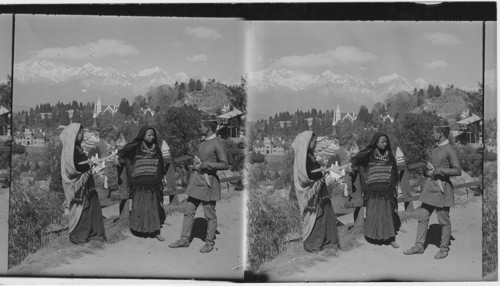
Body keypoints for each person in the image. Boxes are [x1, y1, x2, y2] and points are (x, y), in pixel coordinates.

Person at [169, 120, 229, 253]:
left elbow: (225, 164)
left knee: (210, 215)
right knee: (188, 210)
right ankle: (184, 240)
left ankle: (209, 242)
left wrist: (203, 165)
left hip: (208, 183)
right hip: (197, 182)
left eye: (201, 126)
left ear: (208, 128)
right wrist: (196, 163)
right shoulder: (202, 143)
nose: (198, 128)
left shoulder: (217, 143)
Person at [404, 126, 461, 259]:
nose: (431, 134)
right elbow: (431, 168)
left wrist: (437, 171)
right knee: (423, 217)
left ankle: (444, 249)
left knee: (444, 221)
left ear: (440, 134)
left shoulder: (449, 149)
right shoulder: (435, 148)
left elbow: (458, 170)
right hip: (430, 188)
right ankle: (419, 246)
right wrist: (427, 171)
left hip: (442, 190)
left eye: (433, 132)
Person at [347, 132, 400, 248]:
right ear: (376, 142)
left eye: (386, 142)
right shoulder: (369, 153)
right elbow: (356, 158)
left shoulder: (390, 155)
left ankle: (390, 238)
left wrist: (394, 186)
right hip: (373, 190)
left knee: (387, 214)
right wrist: (351, 164)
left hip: (387, 190)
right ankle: (374, 237)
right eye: (382, 142)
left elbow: (394, 171)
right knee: (374, 213)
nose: (385, 144)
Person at [291, 131, 340, 252]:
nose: (315, 143)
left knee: (324, 214)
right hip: (311, 193)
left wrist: (322, 172)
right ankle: (313, 244)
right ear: (306, 143)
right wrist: (321, 172)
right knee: (315, 217)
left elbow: (315, 171)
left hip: (320, 190)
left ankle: (326, 242)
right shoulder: (303, 158)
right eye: (313, 141)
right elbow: (305, 176)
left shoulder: (310, 156)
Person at [116, 126, 166, 241]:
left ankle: (155, 230)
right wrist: (118, 157)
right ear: (142, 136)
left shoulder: (156, 148)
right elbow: (123, 151)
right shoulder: (136, 146)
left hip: (153, 183)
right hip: (139, 182)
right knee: (139, 205)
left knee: (153, 206)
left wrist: (160, 178)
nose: (151, 137)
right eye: (149, 135)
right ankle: (139, 229)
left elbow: (161, 164)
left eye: (153, 135)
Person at [60, 123, 105, 244]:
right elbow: (71, 169)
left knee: (90, 207)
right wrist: (90, 164)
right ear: (74, 135)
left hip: (87, 184)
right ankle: (80, 236)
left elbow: (82, 164)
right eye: (81, 133)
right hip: (79, 186)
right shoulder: (71, 151)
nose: (83, 135)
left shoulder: (78, 148)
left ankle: (92, 234)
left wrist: (90, 164)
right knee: (81, 209)